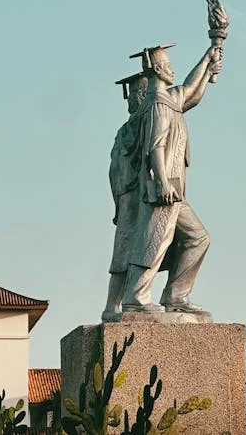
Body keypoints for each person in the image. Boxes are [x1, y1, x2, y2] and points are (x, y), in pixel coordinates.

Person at [121, 43, 222, 313]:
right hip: (161, 189)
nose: (171, 67)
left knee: (198, 237)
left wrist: (209, 55)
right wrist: (162, 181)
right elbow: (154, 146)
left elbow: (191, 91)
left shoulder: (168, 100)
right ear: (156, 69)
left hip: (175, 190)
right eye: (167, 64)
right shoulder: (156, 105)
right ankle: (136, 299)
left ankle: (176, 295)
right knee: (154, 241)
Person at [102, 72, 148, 322]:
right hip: (134, 195)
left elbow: (112, 170)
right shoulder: (140, 124)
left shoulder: (126, 129)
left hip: (126, 197)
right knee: (129, 251)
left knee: (126, 250)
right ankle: (116, 304)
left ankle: (114, 305)